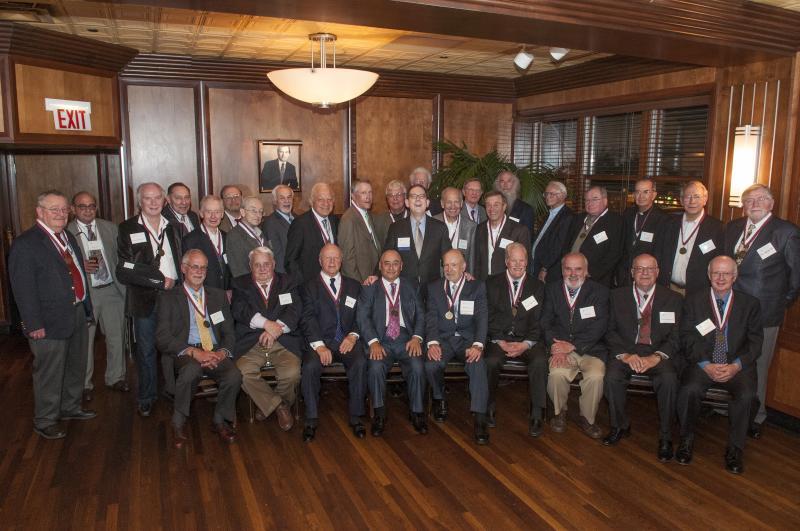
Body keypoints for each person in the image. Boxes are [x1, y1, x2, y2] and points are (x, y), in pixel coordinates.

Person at [9, 190, 95, 439]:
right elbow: (23, 289)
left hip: (76, 311)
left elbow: (76, 272)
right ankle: (45, 419)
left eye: (63, 209)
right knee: (49, 371)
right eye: (53, 209)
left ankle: (70, 407)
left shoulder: (66, 236)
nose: (60, 214)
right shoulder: (27, 244)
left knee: (75, 365)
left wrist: (86, 308)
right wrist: (33, 323)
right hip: (47, 320)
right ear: (39, 212)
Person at [723, 184, 800, 438]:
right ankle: (729, 407)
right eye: (749, 200)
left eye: (760, 199)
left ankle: (755, 415)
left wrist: (778, 303)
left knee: (758, 364)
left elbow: (795, 279)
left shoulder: (786, 232)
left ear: (771, 203)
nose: (754, 204)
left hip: (764, 314)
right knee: (730, 357)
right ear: (743, 205)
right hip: (731, 310)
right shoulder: (733, 228)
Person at [676, 256, 762, 474]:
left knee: (747, 396)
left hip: (737, 365)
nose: (721, 278)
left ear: (735, 276)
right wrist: (705, 364)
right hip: (703, 362)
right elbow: (686, 336)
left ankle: (735, 449)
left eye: (726, 273)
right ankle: (686, 439)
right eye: (716, 273)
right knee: (689, 390)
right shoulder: (694, 301)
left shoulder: (750, 304)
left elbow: (755, 342)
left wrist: (736, 366)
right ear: (709, 276)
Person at [155, 250, 241, 448]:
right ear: (184, 269)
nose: (199, 271)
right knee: (191, 370)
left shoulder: (218, 296)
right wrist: (194, 352)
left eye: (203, 267)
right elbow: (162, 337)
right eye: (194, 266)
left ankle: (219, 420)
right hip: (186, 351)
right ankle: (177, 423)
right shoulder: (169, 297)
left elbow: (229, 332)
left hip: (214, 350)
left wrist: (222, 353)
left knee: (234, 375)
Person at [603, 254, 682, 461]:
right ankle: (619, 425)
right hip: (627, 351)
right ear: (632, 273)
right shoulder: (616, 296)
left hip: (658, 353)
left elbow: (677, 336)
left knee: (669, 379)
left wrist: (657, 357)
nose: (644, 273)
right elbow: (609, 331)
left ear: (657, 272)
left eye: (649, 269)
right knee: (611, 376)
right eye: (639, 269)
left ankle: (666, 437)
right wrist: (626, 355)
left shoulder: (673, 299)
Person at [117, 182, 182, 417]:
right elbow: (125, 269)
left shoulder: (174, 226)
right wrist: (157, 281)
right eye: (148, 198)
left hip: (174, 296)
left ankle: (176, 391)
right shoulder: (127, 228)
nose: (153, 203)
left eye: (157, 198)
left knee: (175, 347)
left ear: (164, 200)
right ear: (139, 202)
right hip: (145, 299)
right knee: (145, 350)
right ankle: (146, 396)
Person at [299, 244, 367, 441]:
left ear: (341, 261)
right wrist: (319, 346)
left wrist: (353, 336)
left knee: (360, 362)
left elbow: (360, 316)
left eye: (336, 258)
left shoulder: (354, 285)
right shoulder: (308, 286)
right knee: (310, 366)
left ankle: (356, 416)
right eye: (327, 258)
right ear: (320, 261)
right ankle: (311, 419)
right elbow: (307, 318)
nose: (331, 262)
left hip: (347, 340)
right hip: (320, 342)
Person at [356, 250, 428, 436]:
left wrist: (417, 337)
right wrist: (372, 342)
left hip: (406, 338)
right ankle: (379, 414)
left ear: (401, 266)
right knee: (375, 367)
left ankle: (417, 412)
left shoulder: (413, 285)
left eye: (395, 263)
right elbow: (363, 318)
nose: (390, 267)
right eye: (386, 263)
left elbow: (421, 314)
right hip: (380, 339)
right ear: (380, 266)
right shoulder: (369, 288)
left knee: (417, 366)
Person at [231, 247, 303, 431]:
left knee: (292, 373)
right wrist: (265, 324)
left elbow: (294, 311)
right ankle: (278, 406)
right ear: (250, 266)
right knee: (242, 373)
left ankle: (268, 405)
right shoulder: (240, 284)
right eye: (257, 265)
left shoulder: (288, 281)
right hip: (252, 342)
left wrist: (273, 331)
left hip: (283, 340)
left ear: (274, 264)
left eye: (266, 264)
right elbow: (240, 310)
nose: (263, 269)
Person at [425, 250, 490, 444]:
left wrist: (478, 345)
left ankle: (480, 418)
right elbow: (431, 318)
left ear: (463, 267)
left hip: (467, 341)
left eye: (454, 265)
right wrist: (433, 343)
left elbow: (482, 318)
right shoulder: (434, 287)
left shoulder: (477, 287)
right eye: (446, 265)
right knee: (430, 364)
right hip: (444, 340)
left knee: (478, 365)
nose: (449, 269)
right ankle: (439, 398)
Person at [68, 191, 128, 401]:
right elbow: (60, 264)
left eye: (91, 206)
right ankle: (84, 384)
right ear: (73, 209)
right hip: (87, 294)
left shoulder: (110, 228)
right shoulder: (66, 232)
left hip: (112, 290)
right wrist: (78, 266)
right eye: (82, 206)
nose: (87, 210)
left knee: (116, 336)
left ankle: (116, 377)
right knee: (85, 340)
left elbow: (121, 257)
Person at [541, 252, 609, 439]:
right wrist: (555, 347)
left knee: (595, 375)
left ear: (586, 271)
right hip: (560, 347)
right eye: (568, 268)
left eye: (578, 269)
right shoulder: (552, 289)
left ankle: (587, 418)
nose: (573, 273)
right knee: (556, 372)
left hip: (591, 349)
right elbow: (545, 322)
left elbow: (600, 326)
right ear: (562, 271)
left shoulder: (600, 292)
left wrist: (572, 346)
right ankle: (559, 413)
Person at [484, 243, 547, 436]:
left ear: (527, 262)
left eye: (522, 260)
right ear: (506, 262)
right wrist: (498, 339)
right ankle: (488, 406)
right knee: (491, 361)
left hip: (527, 339)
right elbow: (487, 315)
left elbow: (539, 320)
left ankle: (537, 413)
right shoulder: (491, 283)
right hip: (499, 339)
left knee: (540, 361)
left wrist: (526, 344)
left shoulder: (537, 286)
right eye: (513, 260)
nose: (518, 264)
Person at [656, 180, 723, 297]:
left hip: (699, 293)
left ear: (705, 199)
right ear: (681, 200)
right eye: (688, 197)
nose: (692, 201)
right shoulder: (667, 224)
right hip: (668, 289)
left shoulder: (717, 228)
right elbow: (658, 254)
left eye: (697, 196)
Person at [383, 185, 450, 289]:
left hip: (432, 288)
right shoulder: (396, 228)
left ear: (427, 203)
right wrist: (375, 275)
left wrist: (461, 273)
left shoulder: (440, 228)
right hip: (404, 288)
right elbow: (386, 256)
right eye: (413, 196)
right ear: (407, 203)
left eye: (422, 196)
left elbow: (448, 257)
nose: (418, 199)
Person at [556, 185, 623, 287]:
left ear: (605, 201)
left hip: (596, 279)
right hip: (571, 274)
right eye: (587, 200)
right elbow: (566, 244)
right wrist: (566, 266)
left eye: (594, 199)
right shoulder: (578, 218)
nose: (590, 203)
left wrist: (591, 273)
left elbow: (614, 253)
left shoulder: (615, 221)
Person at [616, 178, 668, 286]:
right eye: (637, 192)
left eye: (645, 192)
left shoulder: (664, 219)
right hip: (625, 275)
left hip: (647, 276)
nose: (641, 196)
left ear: (654, 195)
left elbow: (661, 253)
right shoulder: (627, 214)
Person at [285, 182, 339, 284]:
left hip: (333, 282)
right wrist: (303, 286)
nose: (326, 204)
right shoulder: (300, 224)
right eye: (320, 200)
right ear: (311, 201)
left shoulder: (335, 221)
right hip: (309, 286)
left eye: (329, 199)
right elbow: (290, 261)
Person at [473, 191, 530, 280]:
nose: (492, 209)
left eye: (496, 205)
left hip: (506, 284)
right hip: (483, 283)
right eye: (488, 205)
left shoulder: (519, 230)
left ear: (504, 206)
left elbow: (526, 262)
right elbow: (477, 260)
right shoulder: (479, 229)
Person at [182, 195, 231, 291]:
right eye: (209, 212)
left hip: (226, 295)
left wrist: (229, 289)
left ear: (222, 214)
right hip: (203, 294)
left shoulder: (227, 237)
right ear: (201, 213)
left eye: (217, 212)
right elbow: (188, 273)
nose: (213, 216)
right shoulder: (190, 240)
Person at [338, 180, 382, 283]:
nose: (368, 197)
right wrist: (358, 284)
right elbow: (347, 257)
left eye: (370, 192)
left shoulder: (368, 215)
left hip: (372, 277)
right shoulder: (348, 219)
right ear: (353, 196)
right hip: (360, 281)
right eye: (363, 193)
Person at [530, 181, 572, 282]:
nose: (548, 197)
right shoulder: (548, 214)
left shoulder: (567, 217)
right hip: (536, 265)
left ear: (563, 196)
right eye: (546, 194)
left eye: (552, 194)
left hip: (549, 270)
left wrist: (545, 268)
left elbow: (559, 246)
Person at [434, 187, 477, 274]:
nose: (453, 206)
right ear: (442, 204)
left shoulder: (471, 226)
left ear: (461, 203)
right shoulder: (432, 223)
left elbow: (471, 258)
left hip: (461, 276)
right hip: (437, 277)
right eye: (449, 202)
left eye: (456, 202)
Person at [226, 196, 266, 278]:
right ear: (242, 212)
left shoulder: (261, 232)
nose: (258, 215)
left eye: (260, 211)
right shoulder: (234, 235)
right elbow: (239, 271)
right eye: (253, 211)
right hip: (249, 286)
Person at [261, 184, 295, 274]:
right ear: (275, 201)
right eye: (282, 198)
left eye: (289, 197)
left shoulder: (298, 218)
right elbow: (276, 255)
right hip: (286, 275)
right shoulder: (270, 223)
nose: (286, 201)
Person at [494, 170, 534, 235]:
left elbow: (528, 236)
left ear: (515, 183)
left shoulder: (526, 209)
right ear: (498, 184)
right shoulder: (490, 207)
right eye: (502, 181)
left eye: (509, 181)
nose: (505, 185)